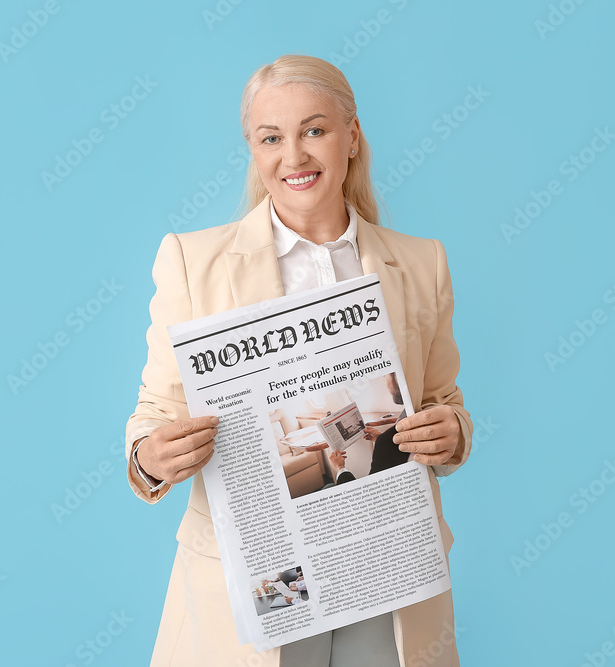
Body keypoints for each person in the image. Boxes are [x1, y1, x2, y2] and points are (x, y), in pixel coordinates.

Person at [125, 54, 473, 667]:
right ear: (254, 152)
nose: (294, 156)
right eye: (271, 138)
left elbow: (444, 399)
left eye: (314, 130)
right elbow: (153, 414)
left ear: (352, 136)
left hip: (385, 568)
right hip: (259, 585)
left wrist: (454, 434)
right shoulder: (191, 262)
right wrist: (150, 457)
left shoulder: (423, 264)